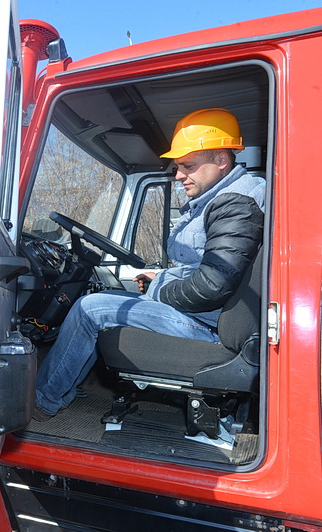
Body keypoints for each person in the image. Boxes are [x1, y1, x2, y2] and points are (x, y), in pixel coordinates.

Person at [34, 108, 265, 420]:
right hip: (205, 314)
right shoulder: (226, 198)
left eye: (188, 166)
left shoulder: (234, 203)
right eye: (178, 167)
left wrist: (158, 286)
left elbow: (212, 285)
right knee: (102, 303)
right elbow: (208, 267)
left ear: (221, 160)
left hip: (207, 324)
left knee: (91, 308)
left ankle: (43, 400)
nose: (179, 174)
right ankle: (64, 387)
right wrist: (161, 276)